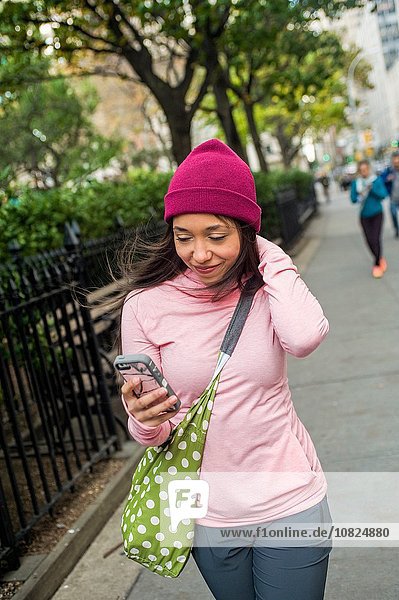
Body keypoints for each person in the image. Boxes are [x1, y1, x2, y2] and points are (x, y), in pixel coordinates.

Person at [119, 139, 332, 600]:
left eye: (216, 235)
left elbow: (305, 338)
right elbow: (157, 433)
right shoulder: (145, 306)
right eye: (183, 236)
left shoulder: (266, 289)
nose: (198, 253)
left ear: (245, 231)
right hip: (205, 512)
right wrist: (145, 419)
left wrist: (270, 255)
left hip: (287, 496)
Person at [350, 159, 388, 279]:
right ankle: (379, 257)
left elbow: (383, 195)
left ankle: (377, 265)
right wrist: (360, 195)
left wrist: (372, 190)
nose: (364, 172)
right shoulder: (356, 183)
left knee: (376, 239)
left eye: (365, 170)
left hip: (377, 213)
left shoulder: (375, 180)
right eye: (361, 170)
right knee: (369, 241)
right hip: (364, 216)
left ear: (369, 169)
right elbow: (353, 199)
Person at [381, 150, 399, 238]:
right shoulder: (389, 171)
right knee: (393, 214)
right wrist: (387, 179)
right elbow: (381, 180)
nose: (396, 162)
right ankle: (397, 229)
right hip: (393, 197)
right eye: (395, 160)